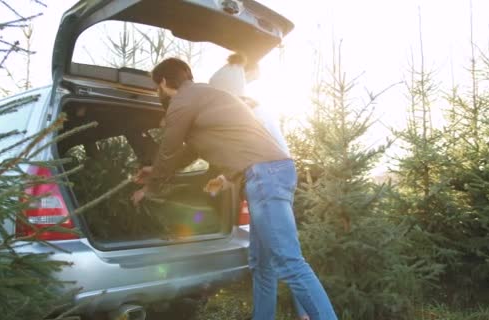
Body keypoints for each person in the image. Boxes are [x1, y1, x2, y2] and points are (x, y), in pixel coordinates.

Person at [132, 58, 337, 320]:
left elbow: (169, 149)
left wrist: (149, 189)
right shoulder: (206, 96)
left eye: (156, 87)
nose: (157, 93)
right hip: (270, 173)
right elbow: (187, 152)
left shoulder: (182, 101)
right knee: (262, 266)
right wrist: (155, 171)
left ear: (162, 82)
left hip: (264, 175)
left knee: (289, 263)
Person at [207, 53, 308, 320]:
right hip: (268, 182)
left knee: (288, 261)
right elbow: (247, 156)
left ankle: (308, 315)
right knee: (263, 265)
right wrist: (226, 179)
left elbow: (257, 157)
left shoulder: (247, 113)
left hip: (268, 183)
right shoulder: (252, 110)